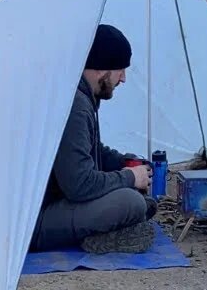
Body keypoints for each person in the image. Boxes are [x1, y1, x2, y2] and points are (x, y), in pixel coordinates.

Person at [29, 24, 158, 254]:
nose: (124, 78)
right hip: (35, 223)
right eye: (121, 69)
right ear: (102, 68)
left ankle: (108, 229)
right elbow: (79, 185)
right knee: (131, 202)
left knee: (134, 199)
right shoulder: (75, 105)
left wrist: (122, 162)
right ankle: (99, 237)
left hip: (51, 207)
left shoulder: (78, 95)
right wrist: (129, 177)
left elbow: (89, 148)